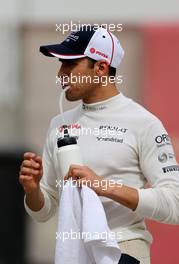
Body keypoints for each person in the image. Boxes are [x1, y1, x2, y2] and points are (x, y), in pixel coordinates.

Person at [19, 26, 179, 264]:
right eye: (61, 64)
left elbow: (174, 204)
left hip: (124, 247)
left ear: (101, 67)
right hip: (71, 251)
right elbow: (44, 211)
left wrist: (104, 186)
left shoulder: (143, 122)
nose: (61, 73)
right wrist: (33, 191)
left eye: (70, 64)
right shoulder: (59, 124)